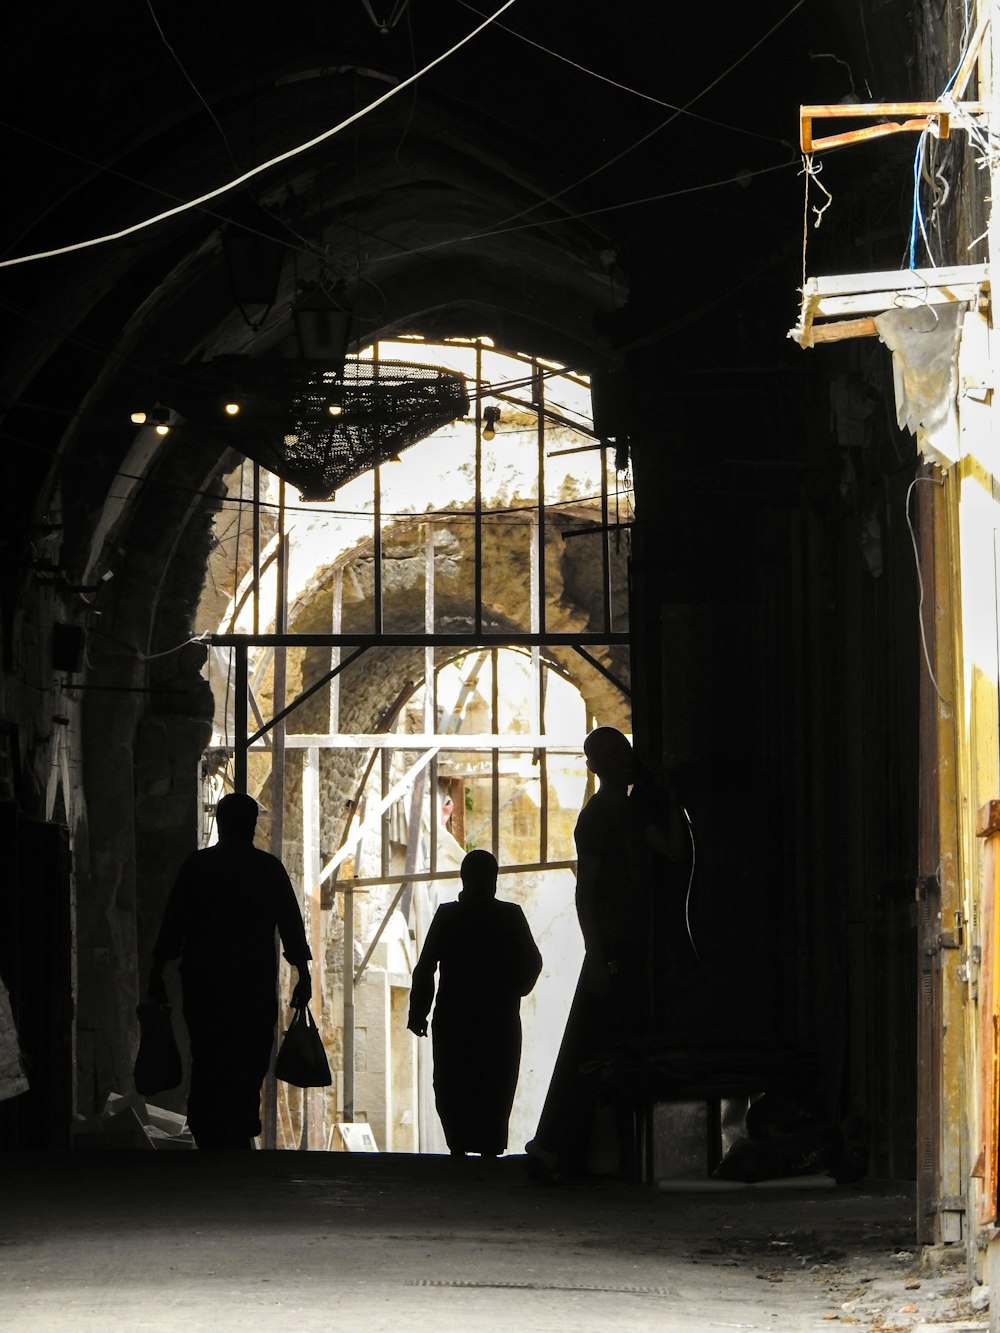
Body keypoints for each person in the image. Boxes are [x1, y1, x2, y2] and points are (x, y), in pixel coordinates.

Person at [526, 726, 687, 1182]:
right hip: (615, 944)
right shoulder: (597, 817)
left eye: (625, 751)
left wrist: (670, 797)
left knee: (612, 1042)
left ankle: (586, 1149)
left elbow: (673, 851)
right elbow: (587, 892)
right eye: (614, 754)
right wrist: (595, 953)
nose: (625, 759)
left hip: (635, 942)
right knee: (595, 1045)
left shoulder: (634, 813)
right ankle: (563, 1147)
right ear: (596, 767)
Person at [146, 792, 312, 1149]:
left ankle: (209, 1125)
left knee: (208, 1053)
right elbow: (291, 924)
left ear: (220, 823)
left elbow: (173, 924)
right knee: (249, 1054)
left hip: (204, 983)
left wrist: (157, 970)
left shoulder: (198, 867)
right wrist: (303, 972)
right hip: (252, 985)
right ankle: (237, 1124)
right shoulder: (267, 870)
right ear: (252, 825)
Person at [408, 850, 542, 1157]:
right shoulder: (510, 916)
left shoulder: (448, 916)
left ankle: (458, 1144)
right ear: (493, 881)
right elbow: (532, 962)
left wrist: (419, 1013)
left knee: (452, 1081)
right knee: (495, 1081)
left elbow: (426, 966)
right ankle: (489, 1147)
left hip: (455, 1018)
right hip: (499, 1020)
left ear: (463, 879)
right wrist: (513, 990)